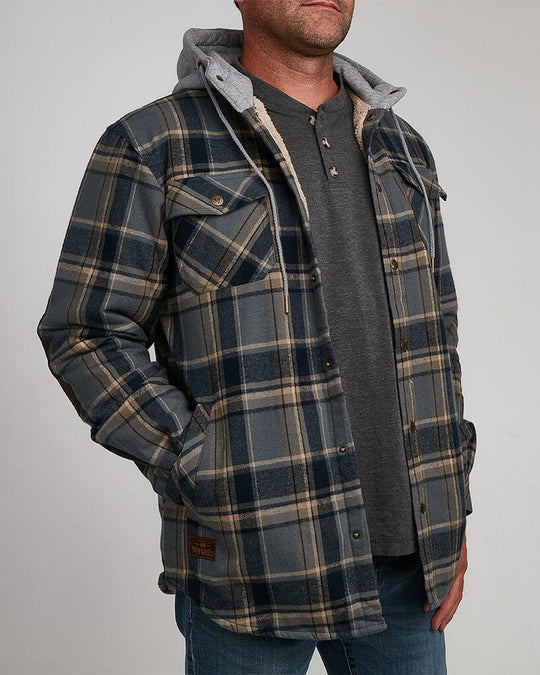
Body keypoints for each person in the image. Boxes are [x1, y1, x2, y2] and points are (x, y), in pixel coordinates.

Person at [36, 0, 477, 672]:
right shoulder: (155, 144)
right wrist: (201, 462)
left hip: (409, 564)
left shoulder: (402, 147)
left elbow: (436, 334)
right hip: (251, 561)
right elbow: (85, 330)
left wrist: (450, 508)